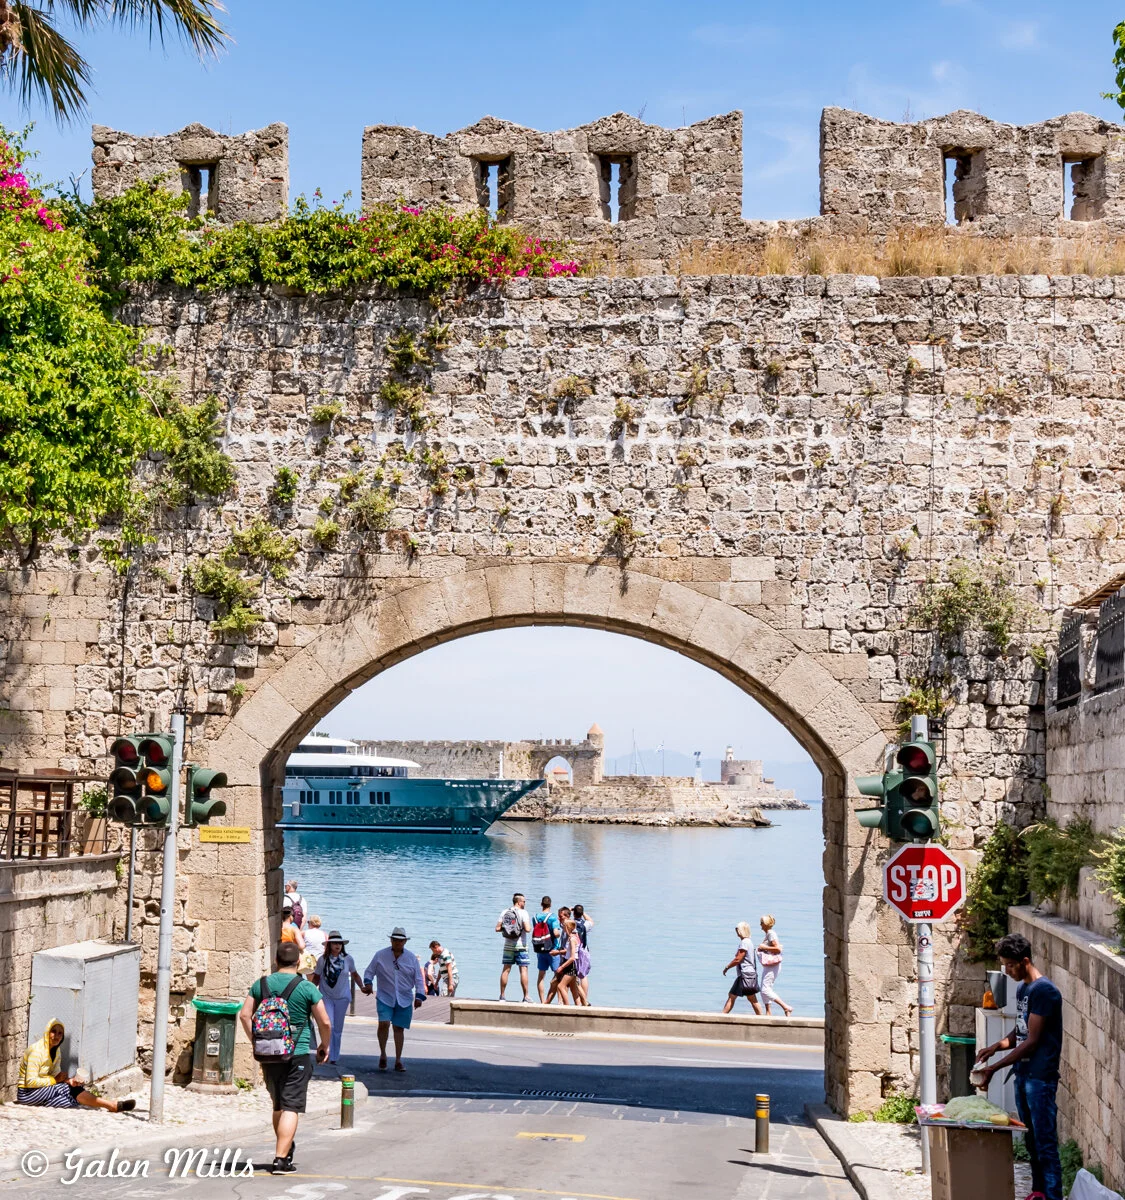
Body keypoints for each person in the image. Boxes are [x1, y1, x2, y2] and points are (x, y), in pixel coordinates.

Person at [975, 933, 1063, 1200]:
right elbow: (1021, 1031)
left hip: (1040, 1077)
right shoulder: (1024, 989)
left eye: (1011, 965)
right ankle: (1038, 1193)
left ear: (1025, 961)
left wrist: (994, 1068)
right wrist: (995, 1046)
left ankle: (1052, 1196)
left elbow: (1033, 1041)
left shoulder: (1045, 991)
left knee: (1045, 1143)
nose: (1007, 970)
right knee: (1031, 1140)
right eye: (1004, 965)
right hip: (1023, 1075)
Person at [240, 941, 330, 1175]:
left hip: (269, 1053)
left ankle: (285, 1145)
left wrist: (257, 1040)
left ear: (276, 961)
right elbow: (325, 1022)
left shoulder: (261, 985)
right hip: (296, 1053)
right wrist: (324, 1045)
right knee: (291, 1105)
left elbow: (244, 1015)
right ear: (298, 962)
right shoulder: (307, 987)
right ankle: (281, 1159)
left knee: (279, 1103)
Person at [18, 1020, 136, 1112]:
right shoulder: (37, 1052)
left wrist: (70, 1080)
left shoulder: (56, 1051)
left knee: (69, 1098)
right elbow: (30, 1082)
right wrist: (55, 1080)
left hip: (43, 1090)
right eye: (53, 1031)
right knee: (65, 1089)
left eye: (60, 1033)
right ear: (47, 1033)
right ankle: (111, 1105)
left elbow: (56, 1074)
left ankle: (112, 1105)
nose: (57, 1036)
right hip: (27, 1093)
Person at [362, 927, 427, 1072]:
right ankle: (383, 1054)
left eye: (400, 940)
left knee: (399, 1028)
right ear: (391, 940)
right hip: (385, 995)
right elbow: (369, 971)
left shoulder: (411, 958)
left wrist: (419, 996)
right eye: (395, 940)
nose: (398, 943)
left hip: (404, 997)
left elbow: (418, 979)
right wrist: (368, 983)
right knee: (383, 1023)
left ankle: (398, 1059)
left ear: (405, 941)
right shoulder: (380, 955)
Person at [312, 931, 364, 1065]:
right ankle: (326, 1051)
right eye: (335, 943)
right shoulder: (322, 960)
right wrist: (310, 992)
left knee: (338, 1029)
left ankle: (334, 1056)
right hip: (326, 996)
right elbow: (317, 977)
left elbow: (355, 974)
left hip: (342, 998)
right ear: (329, 945)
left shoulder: (348, 959)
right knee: (330, 1024)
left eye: (339, 943)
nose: (338, 945)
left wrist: (363, 987)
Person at [496, 892, 533, 1002]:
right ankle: (526, 996)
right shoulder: (524, 913)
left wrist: (508, 929)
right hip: (521, 945)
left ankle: (502, 996)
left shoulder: (505, 912)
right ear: (518, 902)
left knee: (506, 970)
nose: (525, 903)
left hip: (508, 945)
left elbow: (497, 928)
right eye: (524, 901)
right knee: (523, 970)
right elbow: (527, 929)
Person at [722, 922, 764, 1015]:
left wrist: (727, 967)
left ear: (741, 931)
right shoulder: (749, 942)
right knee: (744, 997)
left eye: (737, 929)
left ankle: (722, 1016)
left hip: (745, 975)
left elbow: (738, 959)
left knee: (738, 997)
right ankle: (761, 1017)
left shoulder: (744, 942)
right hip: (748, 974)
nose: (736, 931)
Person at [758, 915, 793, 1016]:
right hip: (768, 965)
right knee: (764, 989)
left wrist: (763, 947)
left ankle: (785, 1007)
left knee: (765, 989)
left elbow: (778, 949)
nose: (760, 925)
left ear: (765, 924)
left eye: (761, 923)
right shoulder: (768, 934)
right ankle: (768, 1012)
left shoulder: (771, 934)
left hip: (773, 965)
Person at [550, 917, 587, 1006]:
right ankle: (578, 1008)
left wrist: (562, 967)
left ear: (568, 928)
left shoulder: (572, 939)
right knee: (574, 989)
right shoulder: (573, 937)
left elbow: (572, 957)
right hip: (571, 965)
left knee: (561, 986)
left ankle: (567, 1007)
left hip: (571, 966)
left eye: (564, 927)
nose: (563, 929)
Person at [532, 896, 562, 1003]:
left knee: (541, 976)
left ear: (541, 904)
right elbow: (556, 933)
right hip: (553, 950)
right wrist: (559, 931)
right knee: (558, 975)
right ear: (550, 905)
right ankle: (559, 1001)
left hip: (540, 949)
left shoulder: (535, 917)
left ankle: (542, 1001)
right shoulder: (553, 917)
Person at [573, 904, 594, 1003]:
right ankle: (584, 999)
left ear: (573, 913)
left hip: (573, 951)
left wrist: (570, 910)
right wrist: (583, 913)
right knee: (583, 976)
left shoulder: (570, 924)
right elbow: (591, 922)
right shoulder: (584, 925)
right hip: (584, 951)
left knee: (574, 976)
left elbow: (562, 922)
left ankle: (578, 1000)